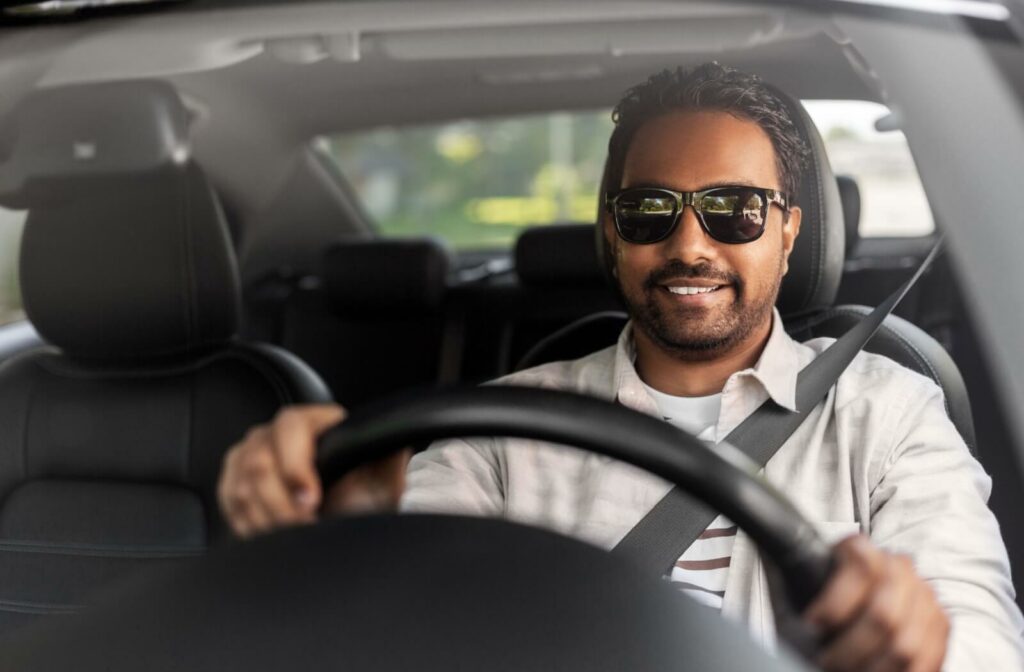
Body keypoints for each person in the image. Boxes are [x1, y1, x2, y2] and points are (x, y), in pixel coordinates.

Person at [217, 63, 1023, 670]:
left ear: (788, 233)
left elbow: (982, 640)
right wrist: (364, 536)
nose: (689, 244)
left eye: (734, 211)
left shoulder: (890, 413)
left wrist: (916, 648)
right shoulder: (502, 428)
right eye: (649, 211)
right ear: (613, 234)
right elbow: (419, 626)